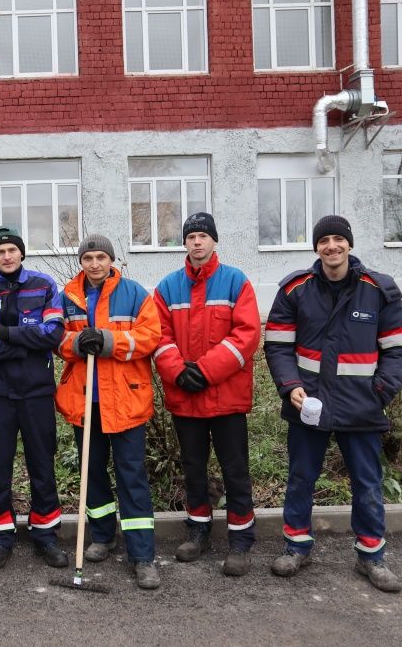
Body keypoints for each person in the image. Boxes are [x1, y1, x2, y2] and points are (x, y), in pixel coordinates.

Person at [265, 215, 402, 593]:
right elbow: (278, 344)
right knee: (301, 478)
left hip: (361, 407)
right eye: (324, 240)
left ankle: (371, 555)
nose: (331, 246)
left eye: (338, 239)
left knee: (367, 482)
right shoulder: (294, 289)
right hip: (308, 405)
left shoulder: (378, 289)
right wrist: (290, 386)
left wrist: (379, 392)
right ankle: (297, 546)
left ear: (349, 244)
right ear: (315, 247)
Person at [152, 213, 261, 576]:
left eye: (203, 236)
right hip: (187, 397)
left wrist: (205, 369)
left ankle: (241, 541)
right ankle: (198, 532)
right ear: (184, 243)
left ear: (214, 241)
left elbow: (246, 335)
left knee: (235, 471)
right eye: (191, 236)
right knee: (193, 469)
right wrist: (180, 372)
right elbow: (158, 336)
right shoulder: (167, 287)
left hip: (226, 397)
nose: (197, 242)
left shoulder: (235, 282)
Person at [55, 234, 163, 590]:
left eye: (101, 257)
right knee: (93, 474)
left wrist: (109, 341)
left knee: (131, 476)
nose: (95, 263)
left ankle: (142, 555)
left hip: (126, 402)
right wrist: (74, 342)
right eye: (89, 257)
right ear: (82, 262)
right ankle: (102, 535)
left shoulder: (133, 294)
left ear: (111, 260)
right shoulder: (68, 296)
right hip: (85, 402)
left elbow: (150, 336)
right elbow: (54, 337)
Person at [0, 226, 68, 570]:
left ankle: (45, 533)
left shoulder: (44, 286)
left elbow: (53, 333)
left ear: (21, 253)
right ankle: (1, 535)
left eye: (12, 250)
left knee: (42, 463)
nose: (7, 256)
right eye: (0, 252)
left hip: (37, 391)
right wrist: (27, 340)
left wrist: (6, 333)